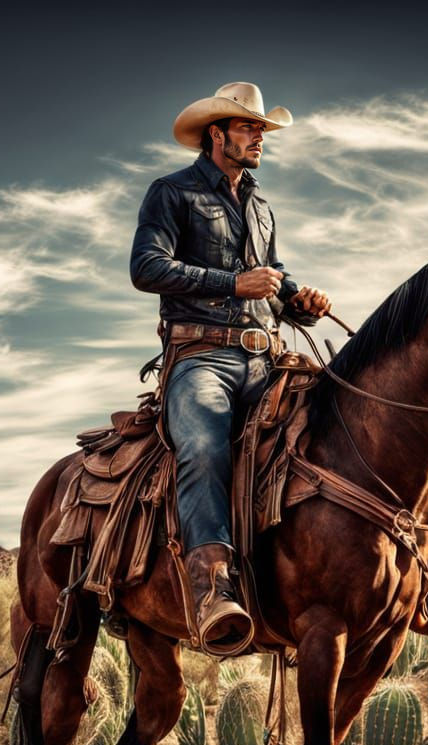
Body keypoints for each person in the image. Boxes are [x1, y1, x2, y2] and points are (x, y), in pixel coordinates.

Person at [130, 82, 332, 656]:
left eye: (263, 129)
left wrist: (299, 300)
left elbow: (273, 274)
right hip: (201, 359)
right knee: (203, 446)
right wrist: (230, 283)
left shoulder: (262, 205)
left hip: (266, 355)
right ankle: (212, 588)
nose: (260, 137)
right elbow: (146, 266)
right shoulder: (172, 192)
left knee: (337, 423)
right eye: (249, 128)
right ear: (216, 134)